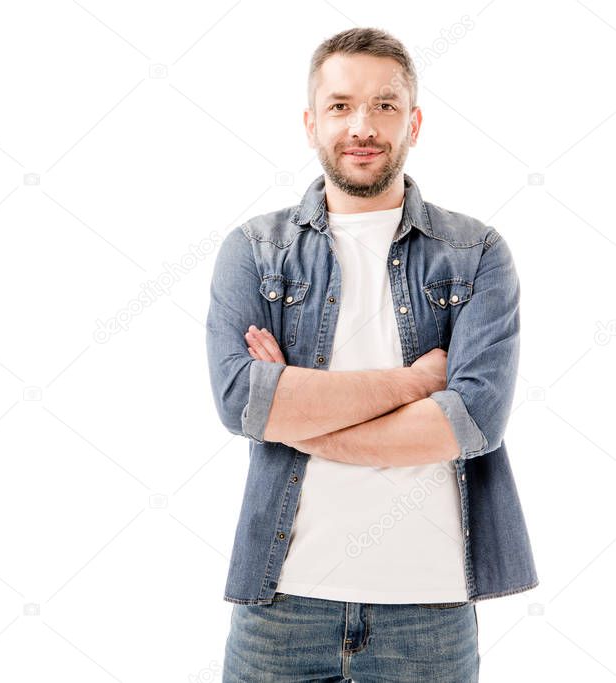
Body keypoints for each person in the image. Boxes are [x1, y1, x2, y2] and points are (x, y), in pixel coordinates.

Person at [205, 27, 538, 682]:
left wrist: (300, 413)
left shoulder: (474, 254)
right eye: (339, 105)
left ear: (413, 121)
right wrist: (415, 381)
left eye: (384, 105)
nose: (362, 126)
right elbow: (241, 401)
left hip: (427, 608)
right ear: (309, 123)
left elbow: (469, 423)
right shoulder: (254, 250)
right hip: (280, 601)